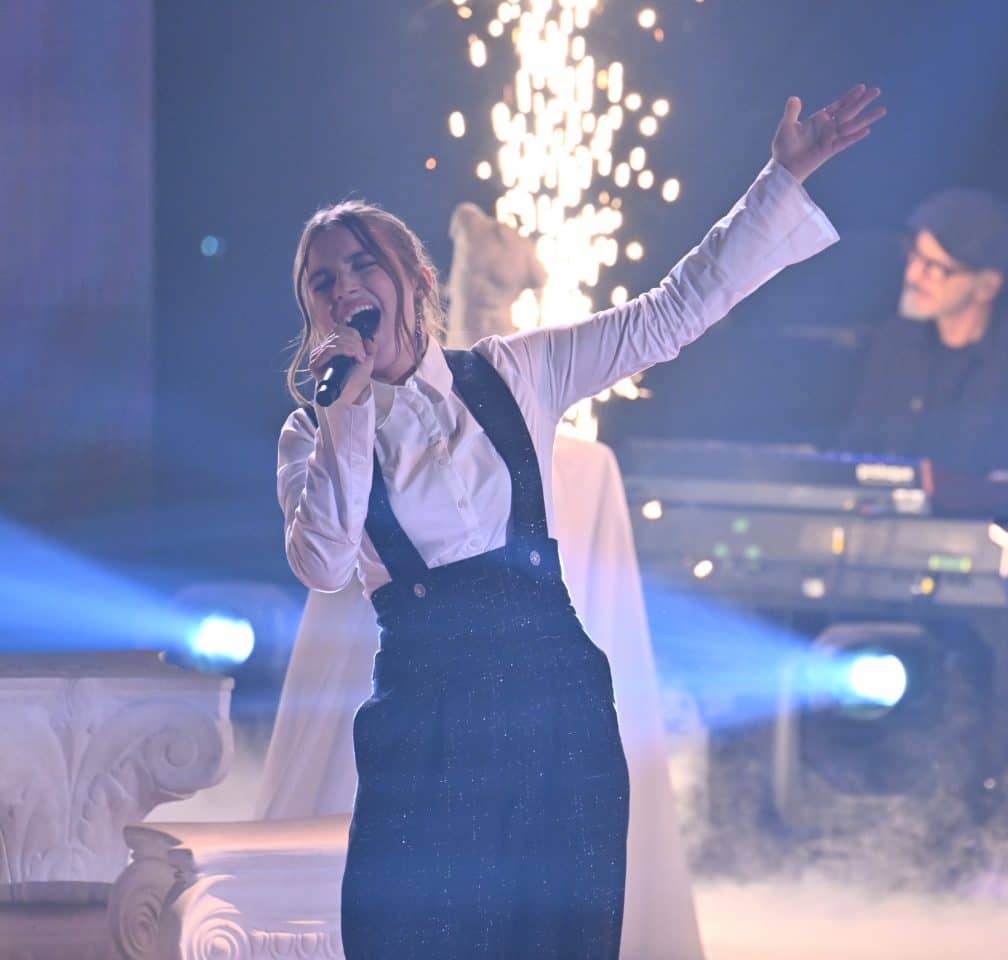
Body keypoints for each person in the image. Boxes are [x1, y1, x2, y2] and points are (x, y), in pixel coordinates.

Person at [275, 85, 882, 959]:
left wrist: (778, 182)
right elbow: (325, 564)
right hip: (428, 721)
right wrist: (347, 410)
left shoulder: (513, 372)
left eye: (361, 265)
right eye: (322, 281)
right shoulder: (313, 434)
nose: (344, 289)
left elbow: (668, 315)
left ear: (417, 279)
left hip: (555, 706)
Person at [845, 187, 1008, 517]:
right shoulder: (895, 342)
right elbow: (857, 452)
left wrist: (965, 490)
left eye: (935, 268)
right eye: (914, 257)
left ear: (987, 286)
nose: (913, 275)